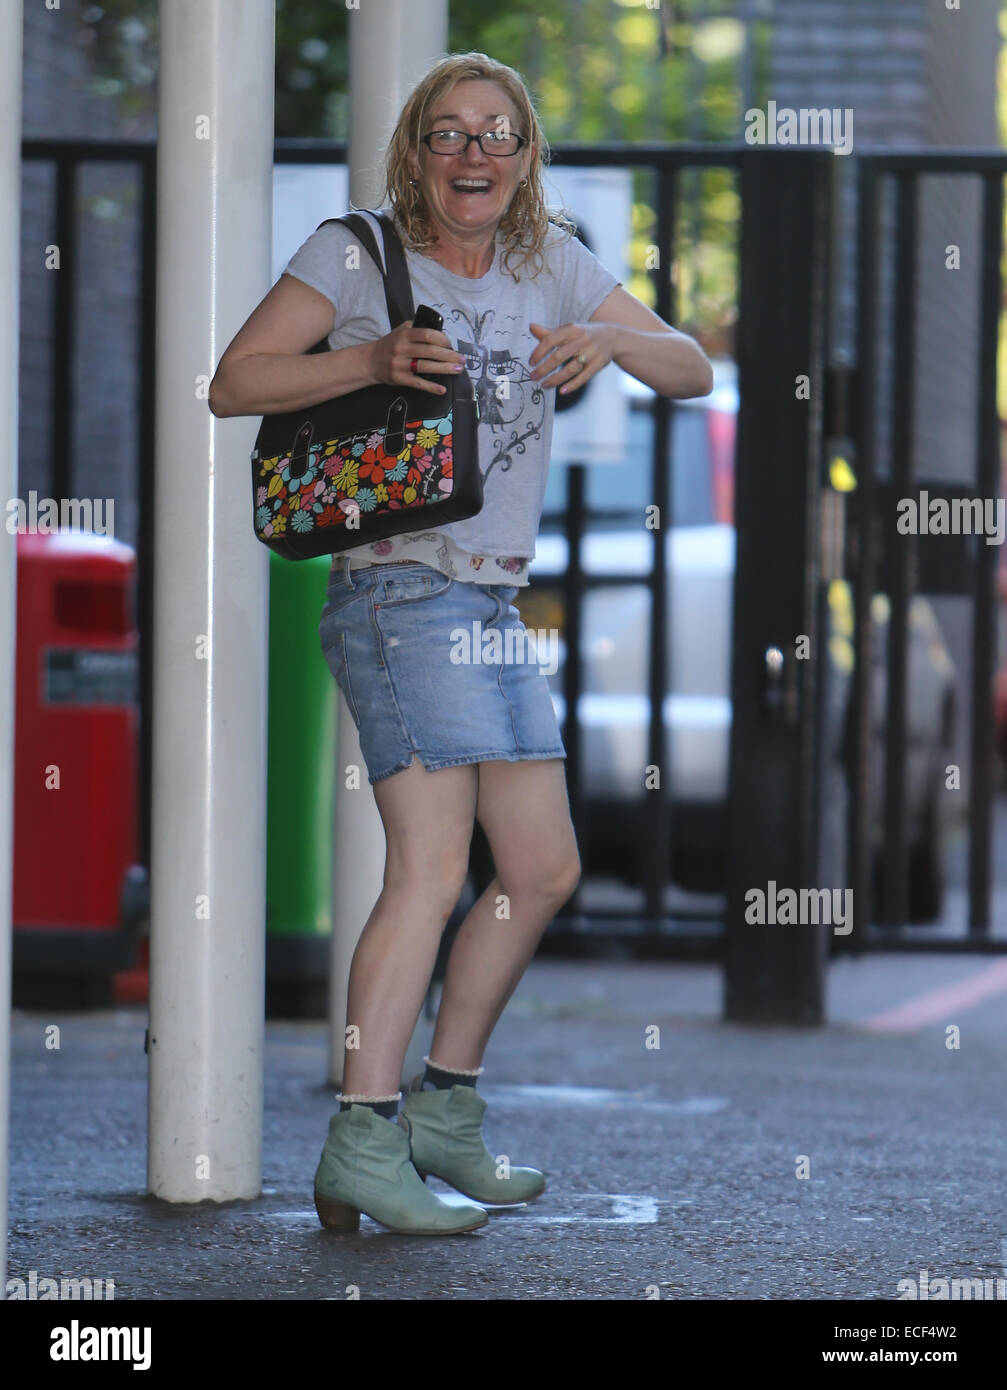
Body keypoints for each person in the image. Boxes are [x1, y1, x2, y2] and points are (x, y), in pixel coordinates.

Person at [209, 51, 713, 1236]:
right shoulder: (357, 253)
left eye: (497, 133)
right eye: (448, 133)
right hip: (400, 589)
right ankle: (362, 1134)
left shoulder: (554, 263)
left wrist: (609, 342)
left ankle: (443, 1112)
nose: (473, 153)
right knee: (431, 874)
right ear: (416, 153)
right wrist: (370, 357)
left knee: (538, 872)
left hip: (490, 605)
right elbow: (234, 382)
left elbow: (690, 368)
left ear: (525, 154)